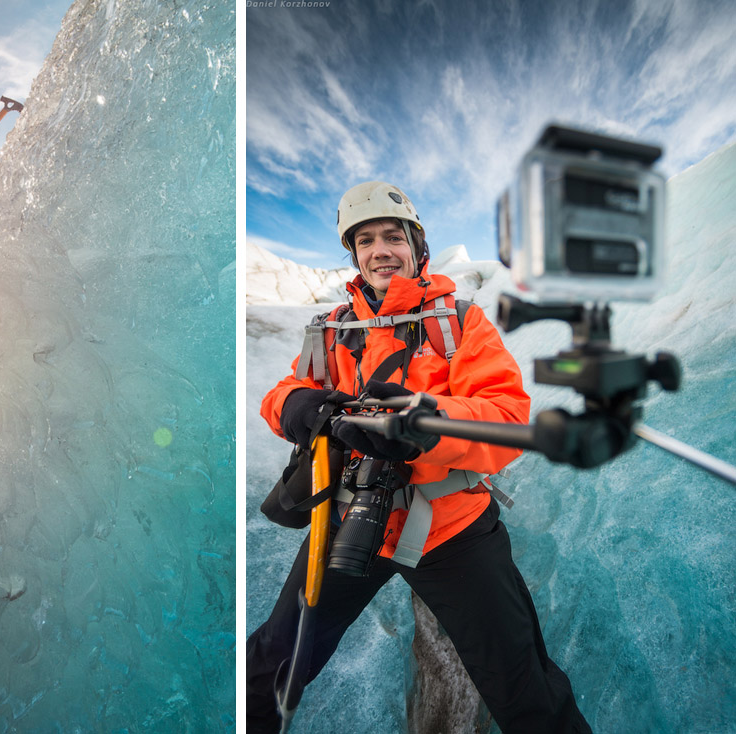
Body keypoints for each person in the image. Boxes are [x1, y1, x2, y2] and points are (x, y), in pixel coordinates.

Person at [247, 181, 592, 733]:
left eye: (391, 236)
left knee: (526, 692)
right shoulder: (333, 330)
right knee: (271, 663)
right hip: (351, 516)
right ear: (355, 255)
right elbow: (280, 393)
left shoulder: (459, 323)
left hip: (452, 529)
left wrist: (425, 425)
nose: (379, 250)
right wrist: (297, 406)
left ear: (415, 245)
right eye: (364, 241)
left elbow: (507, 417)